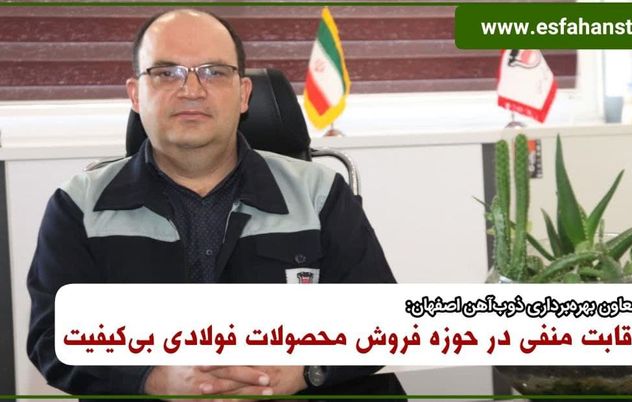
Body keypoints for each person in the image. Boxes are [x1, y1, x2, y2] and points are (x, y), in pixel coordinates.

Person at [26, 9, 404, 400]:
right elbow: (52, 338)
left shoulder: (318, 193)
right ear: (136, 94)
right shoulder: (79, 206)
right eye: (166, 73)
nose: (191, 90)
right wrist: (152, 378)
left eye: (214, 72)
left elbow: (383, 321)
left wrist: (307, 370)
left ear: (243, 94)